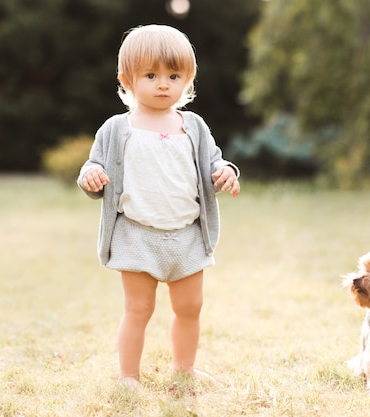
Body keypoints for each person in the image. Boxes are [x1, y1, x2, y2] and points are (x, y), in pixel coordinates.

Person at [77, 24, 240, 387]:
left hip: (186, 234)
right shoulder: (118, 128)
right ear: (128, 80)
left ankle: (184, 368)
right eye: (151, 75)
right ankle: (128, 376)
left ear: (188, 78)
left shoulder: (193, 126)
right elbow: (96, 166)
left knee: (190, 308)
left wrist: (225, 171)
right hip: (137, 233)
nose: (163, 83)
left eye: (173, 75)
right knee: (138, 309)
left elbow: (214, 160)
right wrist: (90, 175)